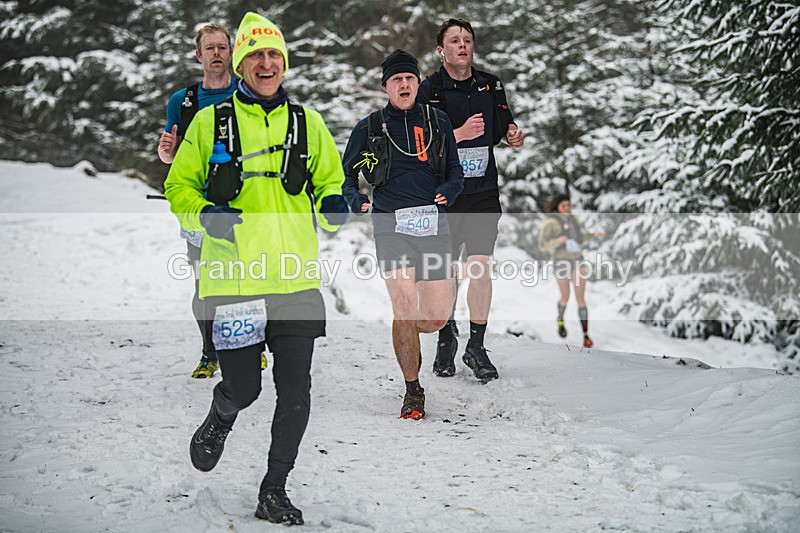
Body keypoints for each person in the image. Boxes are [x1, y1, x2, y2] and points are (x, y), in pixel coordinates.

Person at [164, 12, 349, 525]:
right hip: (235, 281)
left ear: (283, 63)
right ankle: (221, 414)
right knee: (245, 388)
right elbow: (179, 187)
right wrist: (205, 215)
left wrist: (334, 200)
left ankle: (274, 489)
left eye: (274, 55)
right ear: (241, 63)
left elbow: (330, 178)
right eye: (256, 55)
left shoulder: (307, 122)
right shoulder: (210, 121)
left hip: (294, 278)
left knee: (296, 392)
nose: (266, 64)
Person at [342, 49, 464, 419]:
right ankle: (413, 390)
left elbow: (456, 171)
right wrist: (355, 200)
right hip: (390, 225)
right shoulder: (369, 126)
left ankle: (418, 332)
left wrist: (451, 190)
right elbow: (346, 175)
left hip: (432, 224)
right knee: (404, 306)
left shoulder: (437, 121)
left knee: (437, 318)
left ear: (417, 83)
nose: (405, 84)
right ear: (386, 87)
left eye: (410, 78)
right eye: (397, 80)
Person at [417, 18, 525, 382]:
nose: (462, 45)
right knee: (446, 273)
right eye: (454, 40)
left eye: (467, 40)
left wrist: (511, 133)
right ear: (441, 50)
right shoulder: (428, 90)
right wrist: (457, 135)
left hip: (481, 192)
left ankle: (476, 346)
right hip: (444, 195)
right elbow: (417, 146)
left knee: (479, 268)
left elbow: (501, 126)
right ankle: (446, 336)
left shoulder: (490, 85)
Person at [157, 23, 257, 379]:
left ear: (232, 53)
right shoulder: (181, 101)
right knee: (206, 282)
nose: (217, 53)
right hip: (200, 207)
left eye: (222, 47)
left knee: (250, 277)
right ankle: (209, 352)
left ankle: (249, 346)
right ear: (199, 56)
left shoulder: (250, 93)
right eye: (209, 48)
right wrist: (165, 155)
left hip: (245, 203)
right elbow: (174, 159)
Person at [538, 193, 604, 348]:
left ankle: (586, 336)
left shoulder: (574, 219)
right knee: (565, 297)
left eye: (569, 205)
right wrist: (557, 241)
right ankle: (560, 320)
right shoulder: (551, 223)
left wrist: (594, 235)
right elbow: (542, 245)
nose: (567, 208)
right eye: (564, 206)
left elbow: (581, 236)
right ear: (557, 207)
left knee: (581, 299)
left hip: (577, 260)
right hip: (561, 262)